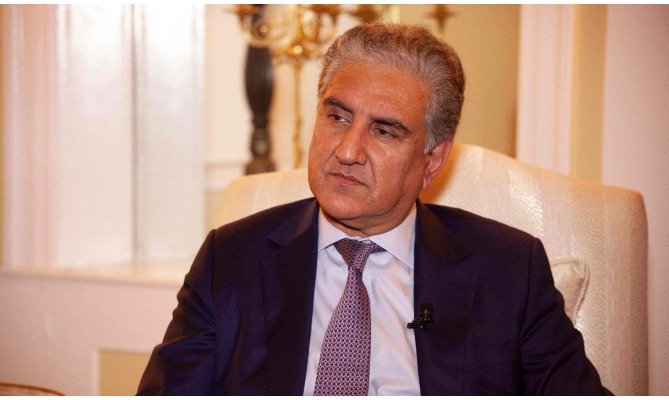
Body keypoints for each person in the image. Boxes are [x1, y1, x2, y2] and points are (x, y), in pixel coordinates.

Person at [137, 23, 609, 395]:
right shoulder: (233, 257)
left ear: (433, 160)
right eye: (337, 116)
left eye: (384, 131)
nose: (347, 150)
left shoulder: (508, 269)